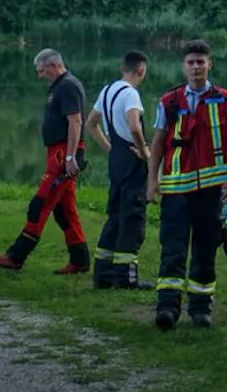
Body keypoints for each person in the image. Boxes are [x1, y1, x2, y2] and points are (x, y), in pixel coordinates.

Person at [146, 39, 227, 330]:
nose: (196, 66)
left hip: (211, 189)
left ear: (209, 64)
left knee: (205, 247)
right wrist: (152, 180)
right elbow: (159, 142)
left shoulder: (225, 98)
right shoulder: (169, 101)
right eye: (191, 62)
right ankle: (167, 308)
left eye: (201, 61)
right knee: (172, 248)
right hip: (176, 188)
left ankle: (201, 308)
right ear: (184, 66)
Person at [0, 48, 91, 274]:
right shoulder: (59, 87)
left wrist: (71, 156)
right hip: (58, 152)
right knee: (65, 211)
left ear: (54, 65)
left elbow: (75, 121)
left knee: (40, 204)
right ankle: (80, 259)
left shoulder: (68, 86)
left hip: (63, 154)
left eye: (42, 70)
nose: (40, 75)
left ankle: (16, 256)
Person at [85, 50, 153, 289]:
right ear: (141, 70)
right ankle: (126, 278)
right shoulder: (131, 94)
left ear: (121, 68)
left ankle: (102, 275)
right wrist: (145, 151)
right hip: (133, 163)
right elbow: (135, 126)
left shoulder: (107, 91)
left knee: (115, 215)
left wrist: (110, 148)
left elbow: (90, 123)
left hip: (116, 161)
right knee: (133, 217)